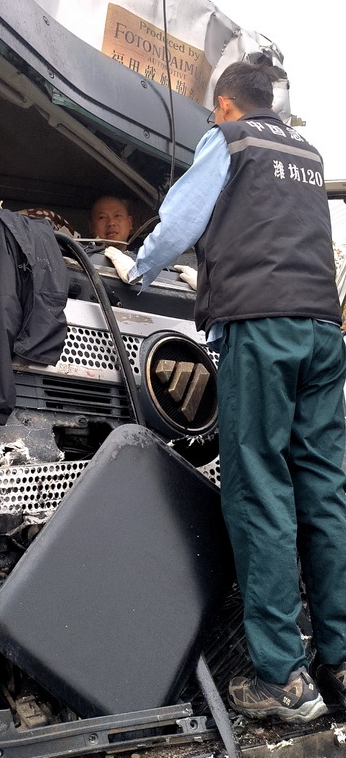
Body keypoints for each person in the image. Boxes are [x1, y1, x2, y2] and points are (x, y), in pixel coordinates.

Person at [105, 61, 346, 723]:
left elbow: (182, 220)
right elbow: (277, 235)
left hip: (262, 330)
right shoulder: (307, 153)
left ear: (226, 106)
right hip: (322, 332)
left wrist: (139, 267)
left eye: (215, 113)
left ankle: (283, 680)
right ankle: (341, 662)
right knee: (324, 493)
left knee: (260, 490)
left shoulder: (231, 140)